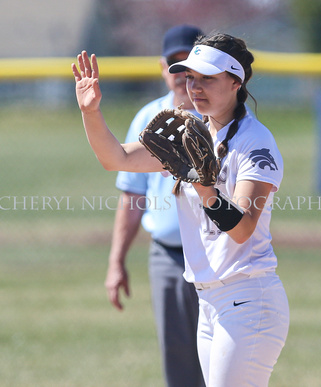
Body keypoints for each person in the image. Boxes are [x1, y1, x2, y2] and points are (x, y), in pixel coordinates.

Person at [72, 31, 289, 387]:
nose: (194, 87)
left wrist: (204, 186)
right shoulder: (193, 133)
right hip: (211, 303)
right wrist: (91, 112)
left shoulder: (255, 143)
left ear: (236, 82)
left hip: (248, 302)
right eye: (190, 77)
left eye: (207, 78)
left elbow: (243, 228)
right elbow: (116, 159)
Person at [105, 25, 205, 387]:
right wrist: (117, 260)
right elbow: (132, 197)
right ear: (162, 67)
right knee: (178, 357)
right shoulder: (148, 119)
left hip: (217, 254)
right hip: (167, 255)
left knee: (224, 356)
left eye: (190, 62)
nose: (182, 73)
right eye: (174, 63)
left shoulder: (223, 118)